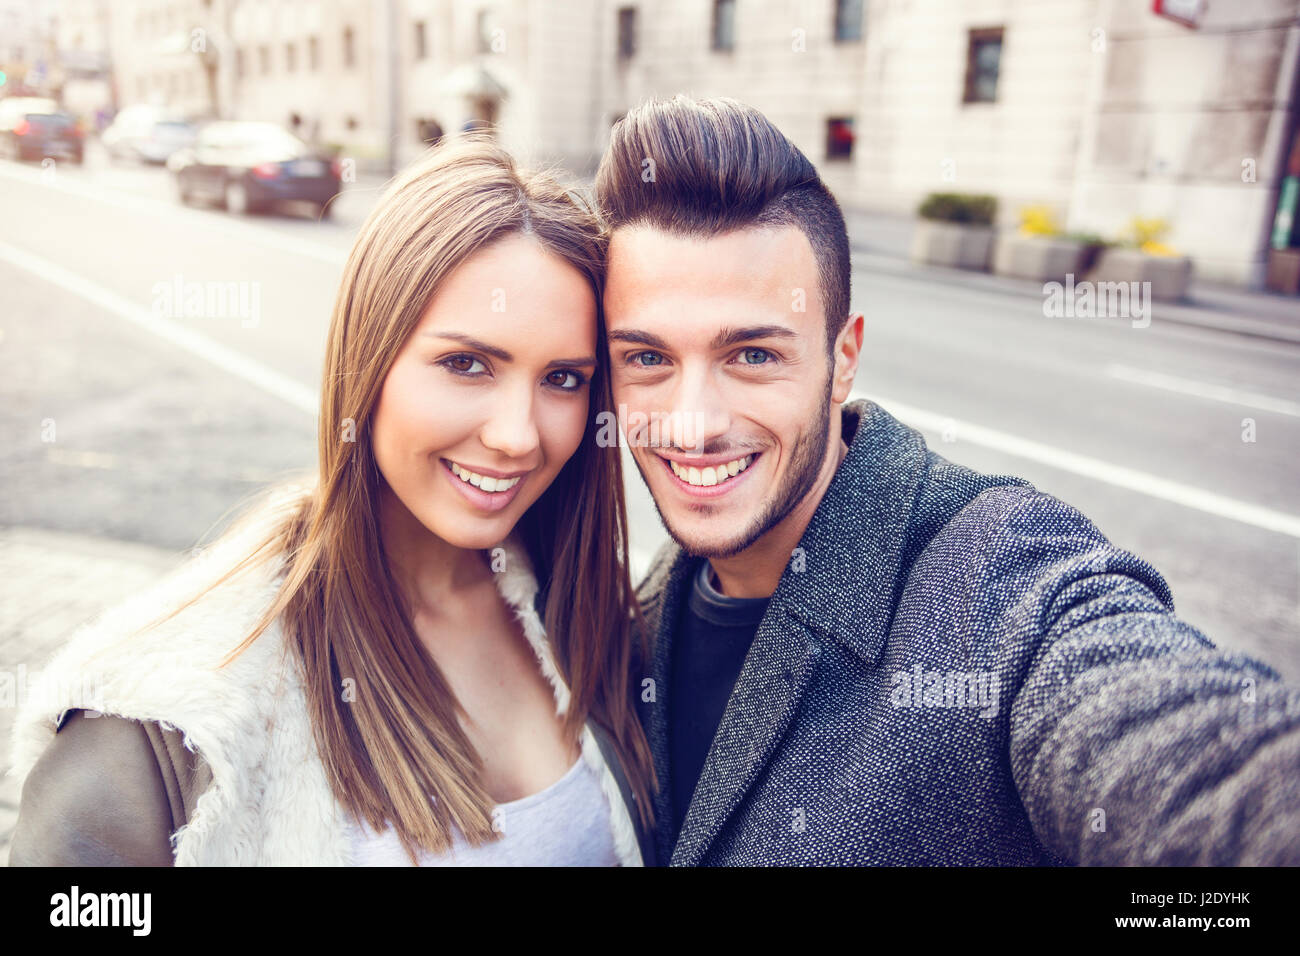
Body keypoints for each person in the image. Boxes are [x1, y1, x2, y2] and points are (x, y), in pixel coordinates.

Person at [595, 95, 1300, 866]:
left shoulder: (995, 579)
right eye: (648, 358)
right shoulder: (647, 609)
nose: (692, 425)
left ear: (844, 361)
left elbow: (1201, 764)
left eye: (754, 355)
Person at [8, 134, 656, 866]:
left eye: (563, 378)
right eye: (467, 363)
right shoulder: (164, 717)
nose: (517, 436)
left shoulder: (589, 612)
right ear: (366, 360)